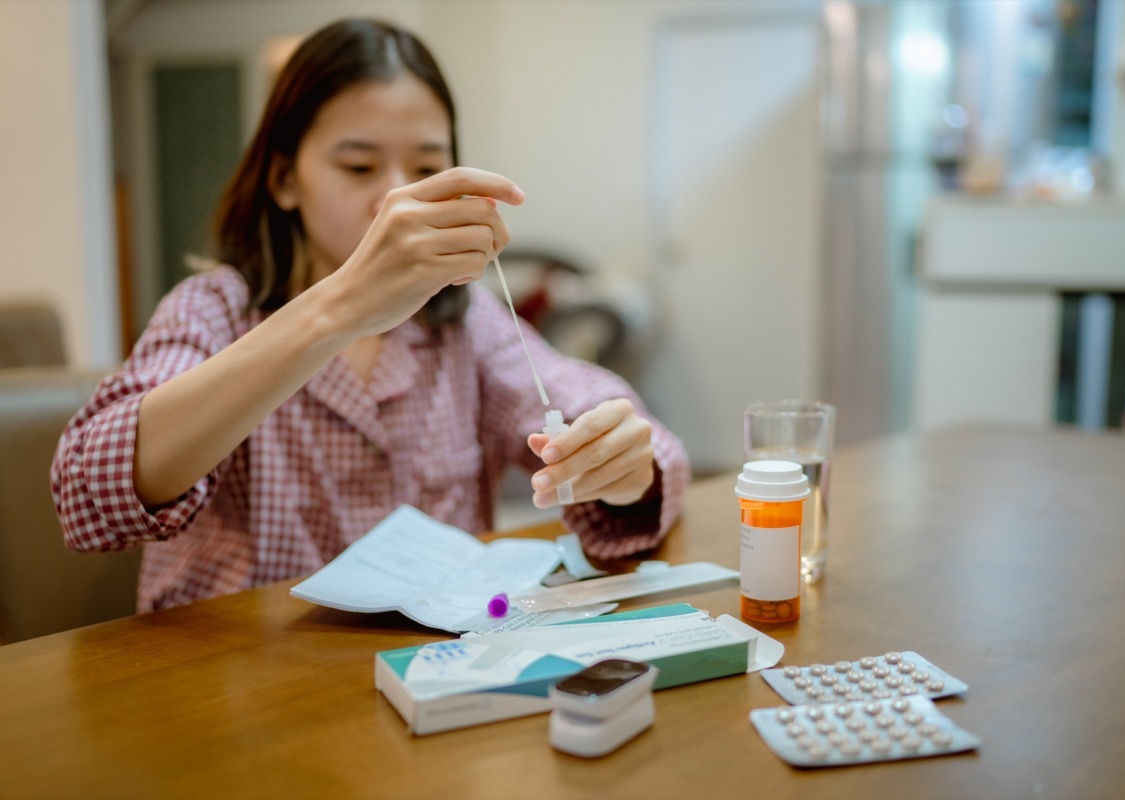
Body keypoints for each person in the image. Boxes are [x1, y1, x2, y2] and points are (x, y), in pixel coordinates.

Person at [52, 18, 689, 613]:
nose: (396, 197)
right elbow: (89, 489)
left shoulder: (463, 323)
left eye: (427, 169)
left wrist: (624, 462)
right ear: (284, 180)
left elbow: (597, 407)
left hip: (430, 680)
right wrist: (342, 304)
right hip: (236, 698)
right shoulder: (213, 310)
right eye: (358, 166)